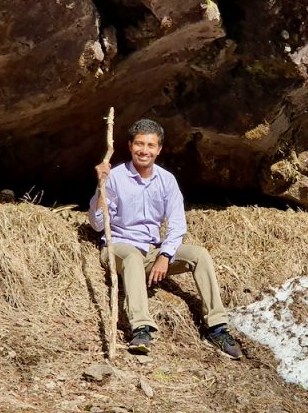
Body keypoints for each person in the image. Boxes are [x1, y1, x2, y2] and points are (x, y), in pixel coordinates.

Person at [89, 118, 243, 359]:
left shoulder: (166, 180)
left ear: (159, 149)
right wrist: (101, 186)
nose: (144, 150)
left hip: (152, 250)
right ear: (129, 145)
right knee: (131, 256)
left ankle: (217, 327)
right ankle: (141, 328)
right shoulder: (115, 177)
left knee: (199, 254)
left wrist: (165, 255)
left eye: (151, 146)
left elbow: (177, 224)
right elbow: (98, 223)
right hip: (119, 247)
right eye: (139, 144)